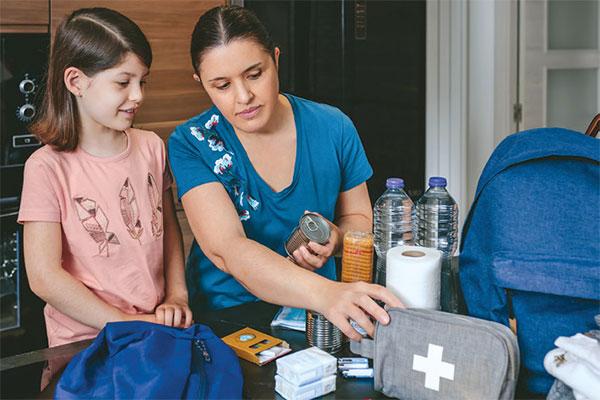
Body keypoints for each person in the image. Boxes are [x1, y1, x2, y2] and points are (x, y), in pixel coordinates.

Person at [168, 5, 402, 341]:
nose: (244, 96)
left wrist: (336, 238)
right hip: (229, 314)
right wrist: (325, 294)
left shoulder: (333, 127)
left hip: (318, 313)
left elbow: (359, 218)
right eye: (221, 85)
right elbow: (228, 249)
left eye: (254, 74)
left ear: (275, 59)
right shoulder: (192, 142)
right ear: (201, 84)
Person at [19, 7, 193, 353]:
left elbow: (169, 230)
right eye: (122, 82)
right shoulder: (46, 168)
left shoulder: (152, 148)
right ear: (76, 82)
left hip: (153, 328)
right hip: (85, 343)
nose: (138, 95)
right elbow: (44, 277)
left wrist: (177, 294)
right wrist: (121, 321)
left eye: (142, 81)